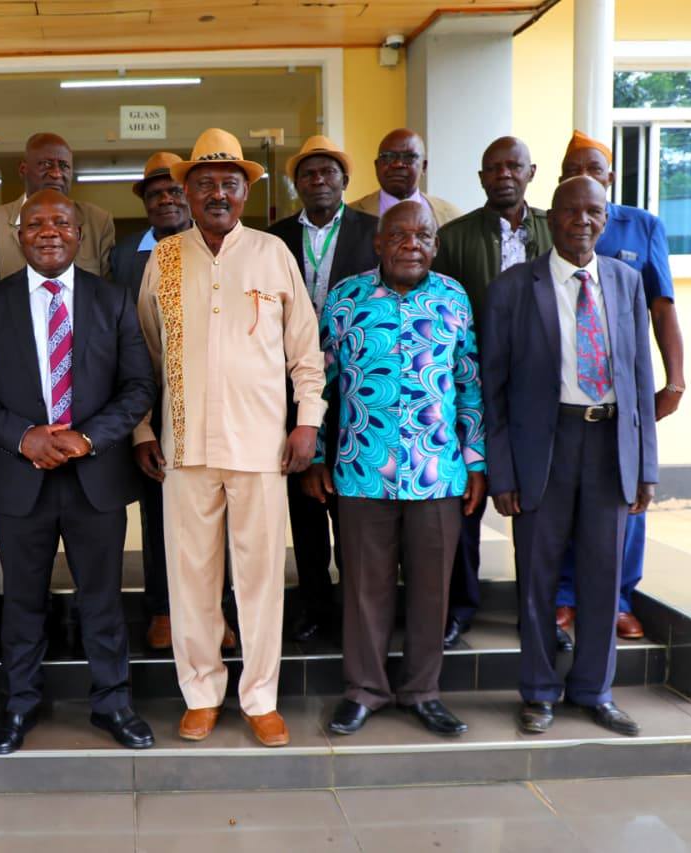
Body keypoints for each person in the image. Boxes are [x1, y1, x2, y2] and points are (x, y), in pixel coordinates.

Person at [134, 128, 326, 748]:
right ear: (185, 191)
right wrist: (141, 428)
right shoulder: (163, 259)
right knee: (191, 578)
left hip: (262, 447)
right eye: (206, 183)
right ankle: (201, 693)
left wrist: (307, 421)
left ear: (246, 193)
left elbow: (305, 349)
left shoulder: (273, 254)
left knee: (262, 577)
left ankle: (261, 697)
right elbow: (142, 357)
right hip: (184, 447)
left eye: (230, 184)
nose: (218, 193)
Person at [0, 189, 157, 756]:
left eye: (61, 222)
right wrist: (25, 437)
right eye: (36, 223)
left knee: (103, 597)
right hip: (21, 478)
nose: (49, 231)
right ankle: (18, 705)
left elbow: (138, 386)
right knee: (21, 599)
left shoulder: (112, 300)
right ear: (18, 235)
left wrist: (86, 437)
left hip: (95, 475)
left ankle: (113, 703)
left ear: (79, 233)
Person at [482, 176, 657, 738]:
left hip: (610, 446)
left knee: (603, 576)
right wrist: (501, 471)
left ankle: (593, 690)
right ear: (551, 217)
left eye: (595, 212)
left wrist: (646, 468)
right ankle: (537, 692)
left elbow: (638, 379)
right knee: (536, 575)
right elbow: (495, 389)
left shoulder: (627, 283)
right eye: (572, 211)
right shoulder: (514, 287)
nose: (584, 221)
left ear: (605, 220)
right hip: (545, 446)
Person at [308, 201, 486, 737]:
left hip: (438, 474)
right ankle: (364, 690)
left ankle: (423, 691)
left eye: (424, 235)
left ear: (436, 245)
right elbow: (317, 383)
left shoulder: (453, 297)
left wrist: (475, 462)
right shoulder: (345, 299)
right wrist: (314, 456)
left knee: (433, 586)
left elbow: (468, 384)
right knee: (364, 585)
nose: (413, 243)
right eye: (400, 235)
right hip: (362, 471)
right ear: (378, 243)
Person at [555, 130, 686, 643]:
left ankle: (617, 600)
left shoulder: (643, 227)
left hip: (623, 393)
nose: (585, 174)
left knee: (627, 497)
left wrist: (674, 380)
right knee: (563, 500)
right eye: (574, 166)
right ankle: (565, 596)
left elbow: (663, 306)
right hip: (566, 394)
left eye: (595, 167)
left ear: (611, 178)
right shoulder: (556, 224)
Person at [431, 136, 552, 650]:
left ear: (531, 172)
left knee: (540, 506)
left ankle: (537, 611)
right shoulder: (454, 238)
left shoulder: (556, 230)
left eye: (513, 166)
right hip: (471, 391)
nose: (503, 174)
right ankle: (461, 606)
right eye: (493, 168)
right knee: (467, 501)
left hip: (541, 395)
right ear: (481, 178)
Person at [268, 134, 379, 645]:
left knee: (354, 512)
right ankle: (314, 604)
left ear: (345, 181)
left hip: (360, 389)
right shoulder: (272, 238)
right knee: (304, 507)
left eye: (328, 172)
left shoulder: (374, 233)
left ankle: (359, 611)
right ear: (297, 183)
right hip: (289, 389)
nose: (318, 181)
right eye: (309, 174)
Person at [110, 152, 194, 651]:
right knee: (159, 514)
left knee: (215, 515)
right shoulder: (123, 257)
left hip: (208, 404)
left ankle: (216, 612)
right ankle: (162, 609)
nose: (167, 198)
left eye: (175, 190)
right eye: (156, 192)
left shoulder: (211, 247)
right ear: (144, 201)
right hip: (147, 403)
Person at [0, 132, 115, 290]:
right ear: (23, 169)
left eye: (64, 166)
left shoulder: (98, 222)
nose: (56, 173)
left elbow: (105, 297)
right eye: (46, 164)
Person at [349, 129, 462, 227]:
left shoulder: (453, 217)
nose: (397, 164)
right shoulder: (349, 215)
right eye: (388, 157)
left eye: (409, 157)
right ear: (377, 165)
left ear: (424, 166)